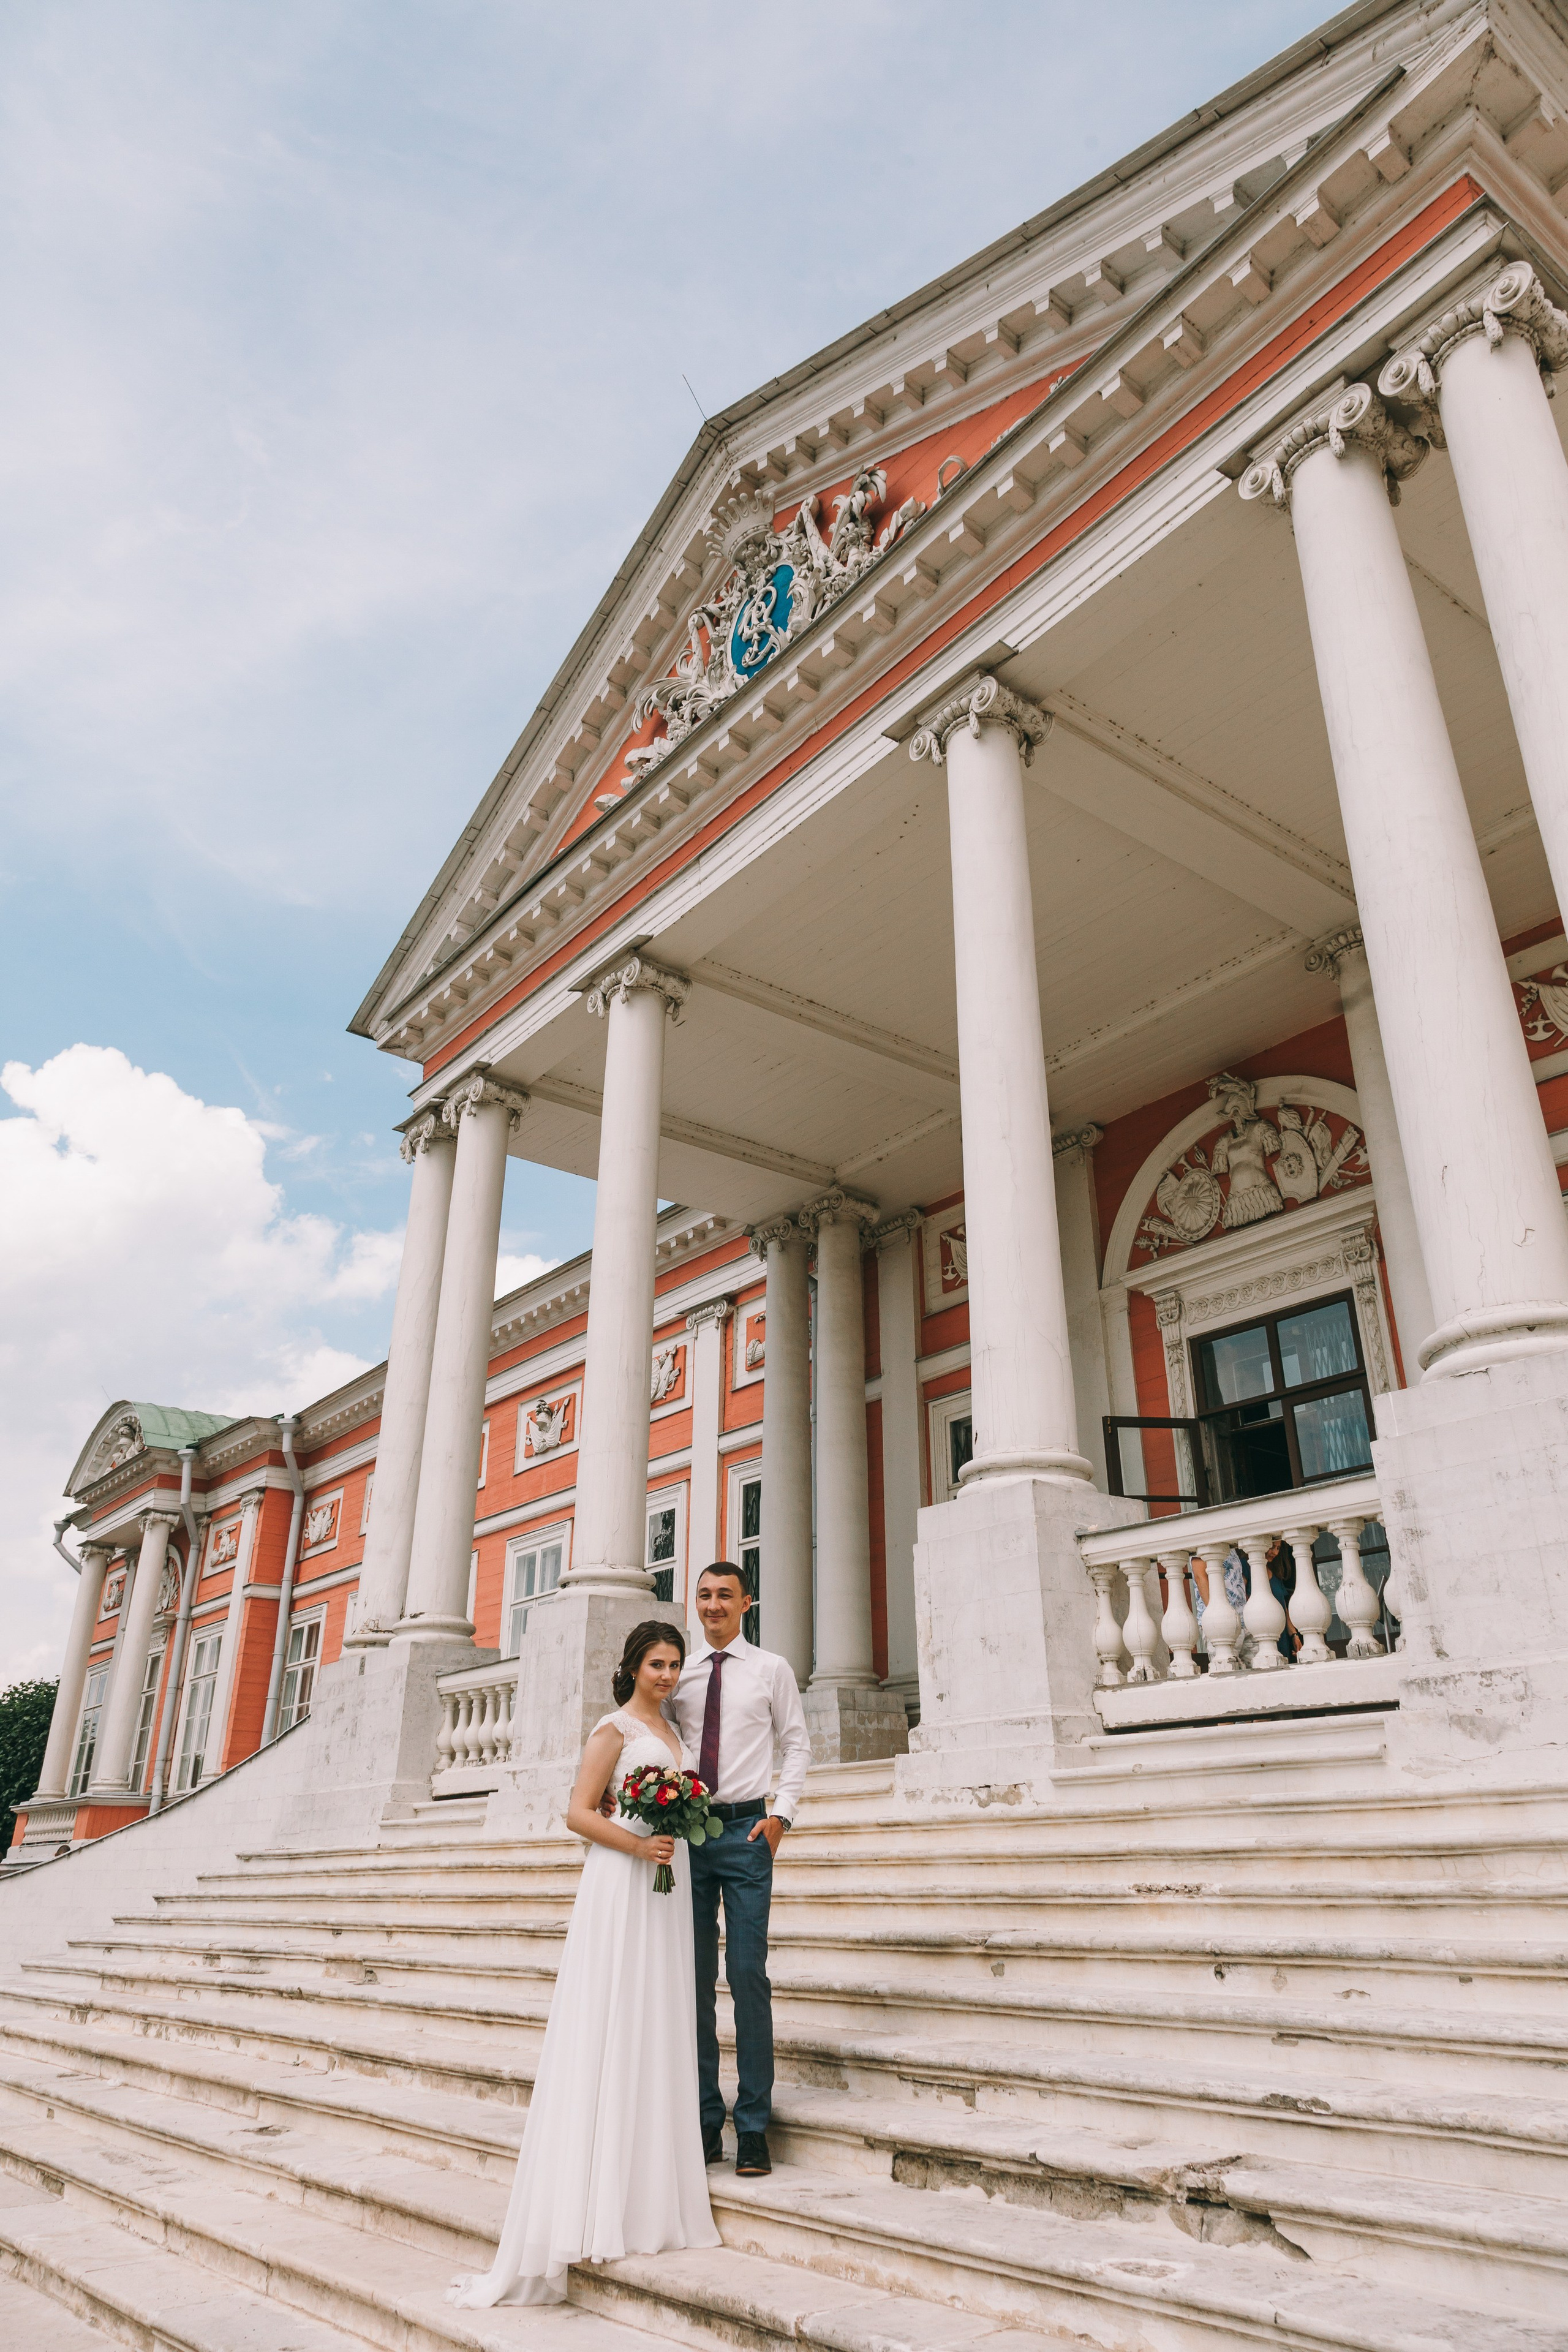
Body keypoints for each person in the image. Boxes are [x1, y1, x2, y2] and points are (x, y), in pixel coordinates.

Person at [448, 1619, 719, 2309]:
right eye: (657, 1664)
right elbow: (576, 1813)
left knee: (657, 2017)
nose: (668, 1675)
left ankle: (650, 2190)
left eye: (675, 1664)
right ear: (632, 1667)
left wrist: (673, 1833)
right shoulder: (613, 1730)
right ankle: (596, 2198)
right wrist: (639, 1847)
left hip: (667, 1883)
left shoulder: (672, 1731)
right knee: (616, 2013)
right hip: (624, 1879)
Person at [668, 1561, 812, 2180]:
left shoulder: (770, 1669)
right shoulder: (679, 1675)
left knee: (747, 1973)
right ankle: (706, 2119)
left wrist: (781, 1815)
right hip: (688, 1834)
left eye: (725, 1595)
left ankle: (753, 2125)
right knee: (694, 1978)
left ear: (747, 1602)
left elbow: (797, 1742)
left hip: (748, 1832)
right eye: (704, 1595)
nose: (713, 1605)